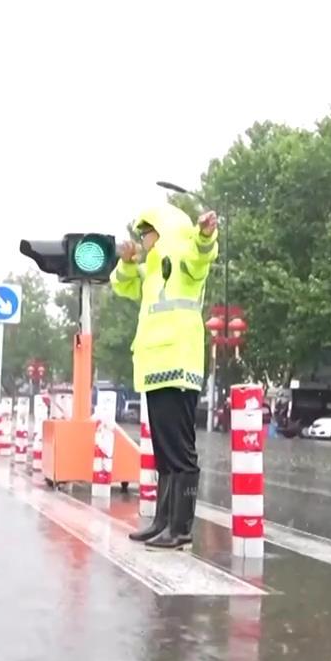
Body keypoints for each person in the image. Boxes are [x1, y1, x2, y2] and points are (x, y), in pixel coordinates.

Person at [111, 202, 218, 550]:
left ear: (165, 231)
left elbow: (203, 256)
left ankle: (181, 526)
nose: (142, 239)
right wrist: (127, 263)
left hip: (179, 363)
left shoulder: (183, 261)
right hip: (155, 367)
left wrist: (205, 234)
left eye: (147, 232)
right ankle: (163, 520)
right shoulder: (153, 269)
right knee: (163, 451)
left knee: (179, 451)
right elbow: (122, 285)